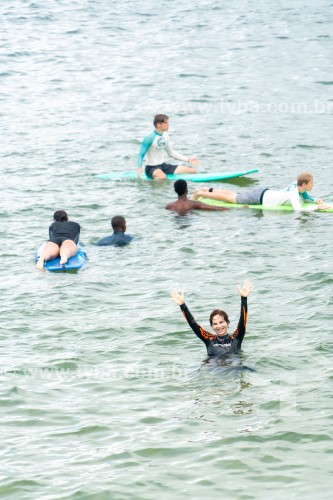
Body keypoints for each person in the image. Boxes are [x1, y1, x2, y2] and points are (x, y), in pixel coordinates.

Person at [170, 280, 253, 358]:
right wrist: (182, 305)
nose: (219, 326)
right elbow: (193, 324)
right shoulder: (209, 339)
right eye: (215, 324)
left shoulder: (236, 338)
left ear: (227, 323)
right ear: (212, 326)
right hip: (214, 370)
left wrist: (244, 298)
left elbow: (243, 321)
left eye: (221, 322)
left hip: (233, 370)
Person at [192, 172, 329, 211]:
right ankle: (200, 193)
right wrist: (317, 208)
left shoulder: (296, 185)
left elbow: (305, 196)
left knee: (235, 195)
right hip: (259, 198)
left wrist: (314, 200)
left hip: (263, 192)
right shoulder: (294, 194)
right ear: (304, 184)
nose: (313, 184)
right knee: (231, 199)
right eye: (311, 183)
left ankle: (208, 190)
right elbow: (298, 209)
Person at [137, 114, 200, 180]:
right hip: (151, 168)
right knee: (162, 177)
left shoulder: (166, 136)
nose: (168, 125)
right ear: (158, 124)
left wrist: (188, 159)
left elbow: (171, 153)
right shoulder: (149, 137)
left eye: (168, 122)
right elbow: (141, 155)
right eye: (165, 123)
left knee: (192, 171)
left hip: (163, 166)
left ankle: (161, 175)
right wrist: (139, 167)